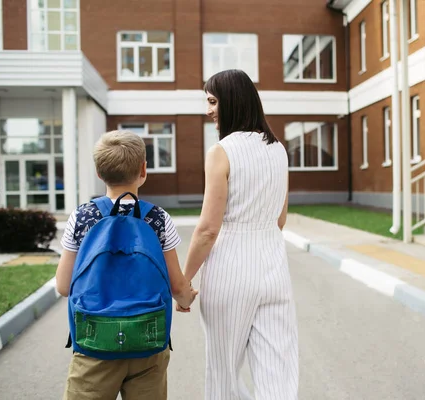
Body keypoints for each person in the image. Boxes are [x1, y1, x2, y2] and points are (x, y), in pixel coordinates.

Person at [181, 69, 299, 400]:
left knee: (223, 374)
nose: (208, 111)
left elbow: (207, 229)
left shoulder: (222, 151)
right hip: (274, 267)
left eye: (213, 101)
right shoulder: (278, 150)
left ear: (232, 101)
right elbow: (280, 219)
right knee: (278, 374)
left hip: (231, 270)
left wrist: (183, 281)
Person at [55, 130, 197, 400]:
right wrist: (186, 298)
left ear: (99, 173)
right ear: (144, 169)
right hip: (148, 341)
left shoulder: (82, 217)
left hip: (95, 342)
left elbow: (64, 286)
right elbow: (177, 285)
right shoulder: (157, 218)